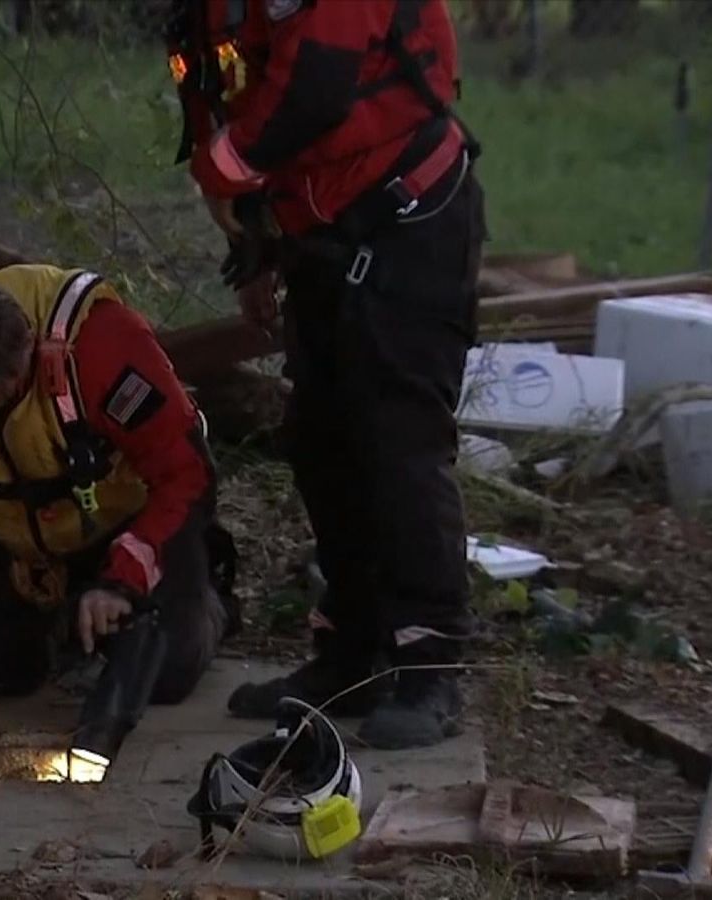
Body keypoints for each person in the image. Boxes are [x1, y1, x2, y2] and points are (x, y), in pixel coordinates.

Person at [167, 0, 487, 748]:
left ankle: (431, 666)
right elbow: (228, 95)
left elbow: (314, 89)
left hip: (408, 220)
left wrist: (220, 172)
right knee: (321, 443)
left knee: (399, 445)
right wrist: (254, 247)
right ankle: (350, 654)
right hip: (321, 233)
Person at [0, 260, 235, 720]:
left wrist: (123, 580)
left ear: (31, 346)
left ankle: (208, 605)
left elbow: (187, 474)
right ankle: (64, 623)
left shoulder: (102, 345)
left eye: (0, 391)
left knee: (161, 673)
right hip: (12, 540)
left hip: (124, 528)